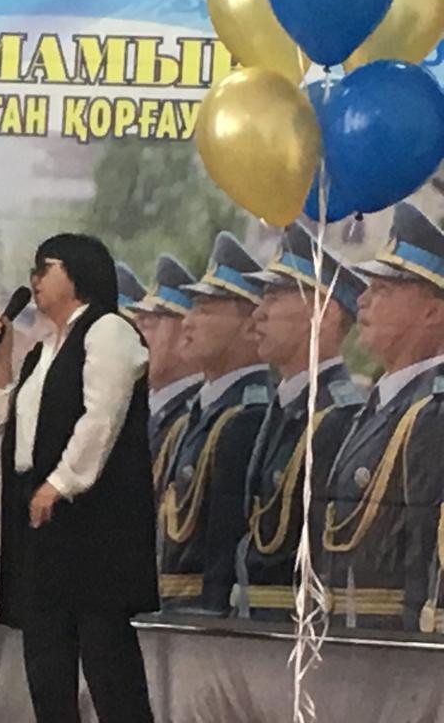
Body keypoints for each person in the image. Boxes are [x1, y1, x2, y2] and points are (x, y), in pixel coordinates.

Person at [0, 233, 157, 722]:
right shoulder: (44, 351)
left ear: (81, 272)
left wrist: (60, 483)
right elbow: (14, 426)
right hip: (42, 515)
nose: (34, 279)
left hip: (91, 520)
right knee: (46, 656)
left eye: (46, 267)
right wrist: (1, 361)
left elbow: (101, 418)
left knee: (104, 653)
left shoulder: (109, 331)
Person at [234, 223, 366, 621]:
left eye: (274, 298)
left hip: (298, 627)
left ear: (324, 313)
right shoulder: (284, 406)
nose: (258, 313)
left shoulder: (337, 416)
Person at [323, 203, 444, 632]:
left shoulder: (432, 414)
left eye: (383, 290)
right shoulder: (383, 405)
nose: (362, 300)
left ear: (433, 313)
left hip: (391, 646)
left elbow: (423, 556)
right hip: (350, 635)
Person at [157, 232, 271, 614]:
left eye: (206, 310)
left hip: (200, 621)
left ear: (251, 325)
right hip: (169, 612)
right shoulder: (203, 412)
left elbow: (223, 552)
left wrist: (212, 624)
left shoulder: (245, 418)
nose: (188, 322)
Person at [129, 255, 203, 495]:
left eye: (149, 324)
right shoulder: (149, 409)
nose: (137, 338)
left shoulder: (193, 415)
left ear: (185, 333)